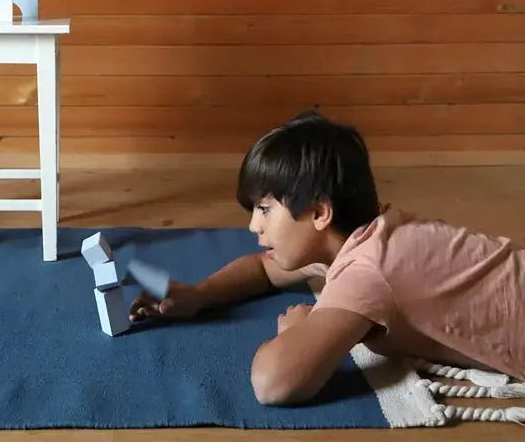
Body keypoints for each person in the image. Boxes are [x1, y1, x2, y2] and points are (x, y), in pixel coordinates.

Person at [128, 111, 525, 405]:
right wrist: (200, 294)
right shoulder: (367, 236)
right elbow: (265, 270)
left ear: (319, 213)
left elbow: (275, 383)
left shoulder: (368, 272)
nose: (253, 226)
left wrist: (298, 332)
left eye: (265, 209)